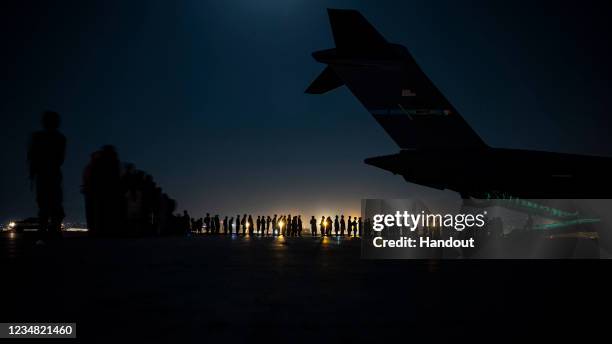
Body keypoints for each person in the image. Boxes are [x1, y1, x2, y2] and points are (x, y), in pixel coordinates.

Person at [28, 111, 66, 237]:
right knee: (53, 201)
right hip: (52, 173)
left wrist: (34, 170)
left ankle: (45, 227)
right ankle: (53, 227)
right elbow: (61, 158)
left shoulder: (37, 137)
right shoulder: (60, 138)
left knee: (44, 201)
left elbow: (32, 155)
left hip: (44, 173)